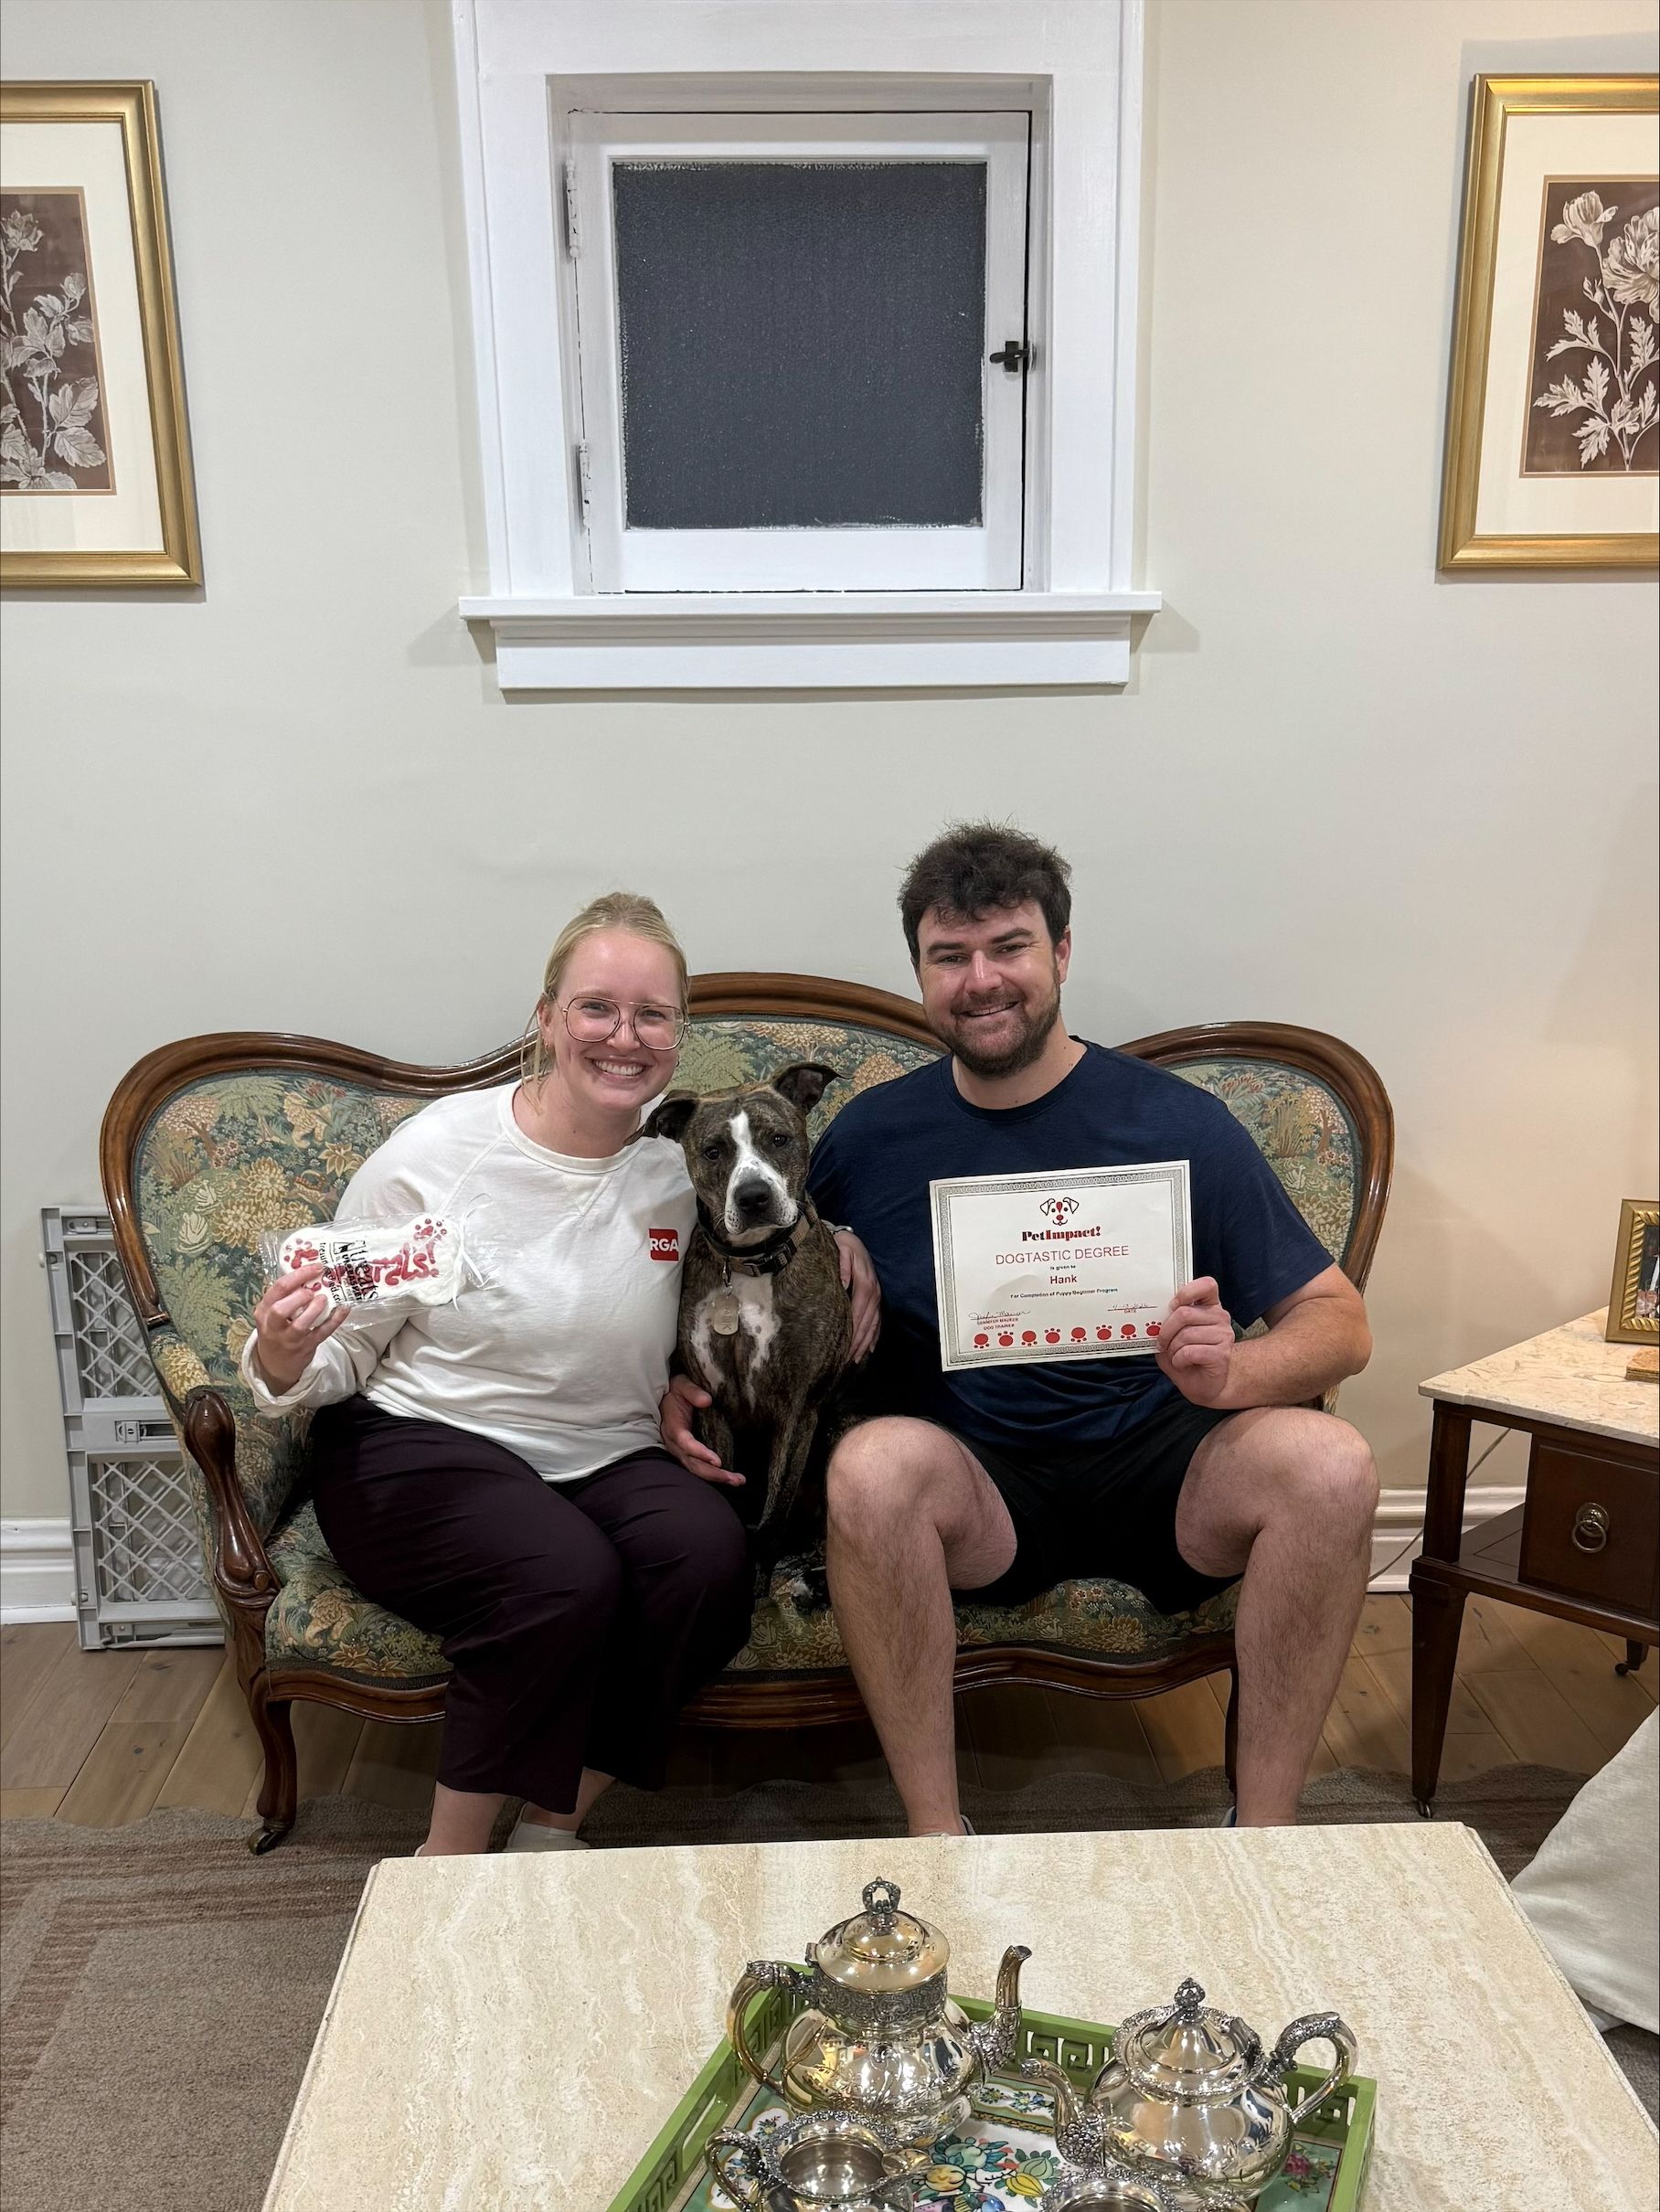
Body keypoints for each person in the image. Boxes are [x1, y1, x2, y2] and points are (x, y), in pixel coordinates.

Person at [664, 825, 1378, 1834]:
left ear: (1062, 953)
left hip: (1171, 1458)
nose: (981, 980)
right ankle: (938, 1836)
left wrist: (1233, 1372)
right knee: (870, 1467)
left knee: (1334, 1464)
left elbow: (1339, 1325)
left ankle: (1261, 1835)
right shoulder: (870, 1134)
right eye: (949, 956)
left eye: (1009, 947)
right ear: (921, 974)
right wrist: (818, 1260)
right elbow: (749, 1257)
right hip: (979, 1477)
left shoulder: (1178, 1123)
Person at [242, 894, 764, 1856]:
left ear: (679, 1033)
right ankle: (447, 1861)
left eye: (652, 1015)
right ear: (547, 1017)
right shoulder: (438, 1154)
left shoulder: (680, 1163)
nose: (624, 1037)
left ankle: (551, 1828)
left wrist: (835, 1257)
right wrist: (283, 1349)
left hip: (607, 1446)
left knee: (708, 1561)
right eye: (596, 1007)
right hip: (420, 1443)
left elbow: (750, 1264)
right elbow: (344, 1350)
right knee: (561, 1574)